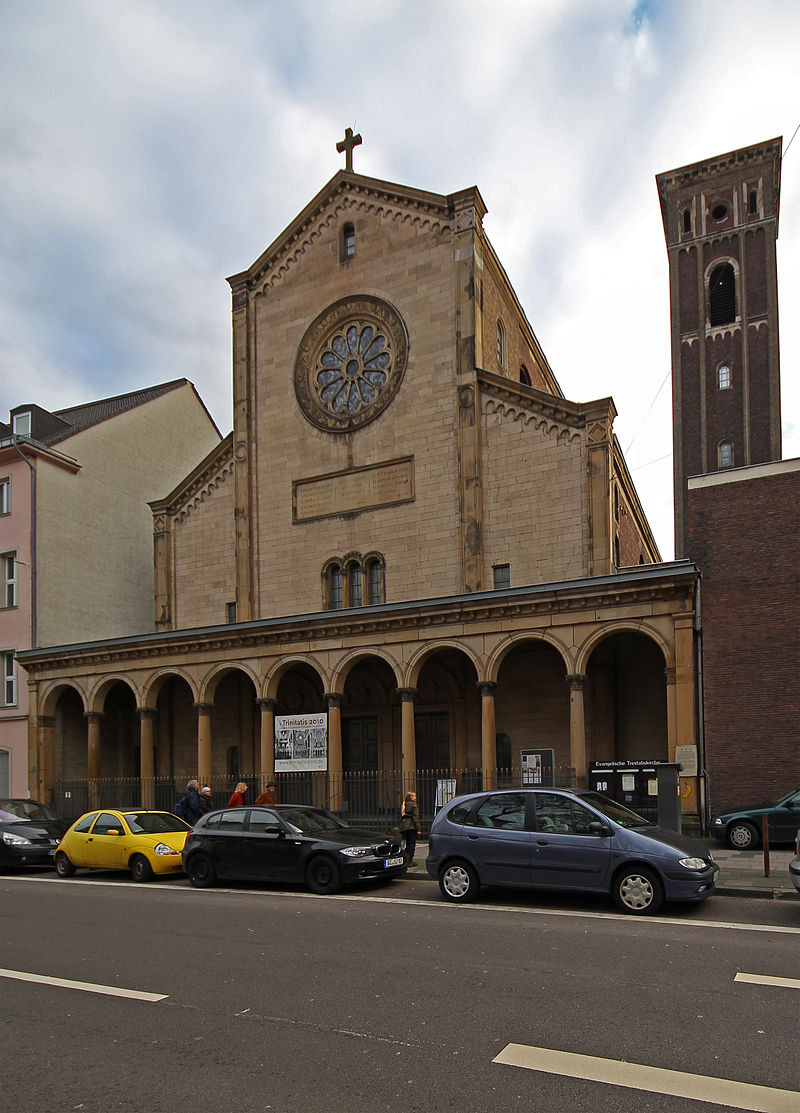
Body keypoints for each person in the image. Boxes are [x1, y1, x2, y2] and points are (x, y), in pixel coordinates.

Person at [400, 791, 421, 866]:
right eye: (414, 796)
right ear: (411, 797)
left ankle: (405, 859)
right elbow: (415, 817)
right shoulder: (414, 805)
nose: (416, 798)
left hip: (405, 826)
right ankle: (410, 861)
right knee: (412, 844)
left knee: (408, 843)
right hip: (411, 826)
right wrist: (418, 829)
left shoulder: (404, 804)